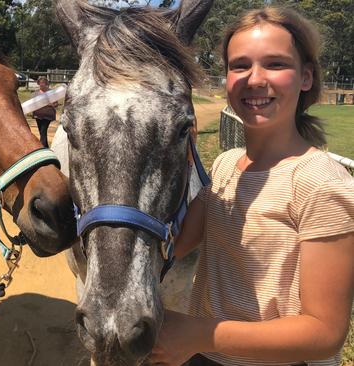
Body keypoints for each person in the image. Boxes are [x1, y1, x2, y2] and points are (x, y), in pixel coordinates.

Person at [150, 7, 354, 366]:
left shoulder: (321, 184)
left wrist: (199, 333)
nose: (254, 78)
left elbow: (325, 333)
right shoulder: (228, 163)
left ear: (306, 77)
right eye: (239, 65)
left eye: (275, 64)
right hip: (204, 357)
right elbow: (176, 243)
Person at [32, 76, 59, 147]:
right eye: (40, 83)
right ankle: (46, 147)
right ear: (38, 84)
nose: (42, 84)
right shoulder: (35, 93)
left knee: (43, 131)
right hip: (38, 115)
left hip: (48, 115)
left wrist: (50, 104)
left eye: (43, 83)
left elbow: (56, 104)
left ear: (46, 83)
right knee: (41, 132)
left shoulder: (51, 93)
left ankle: (41, 148)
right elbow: (32, 104)